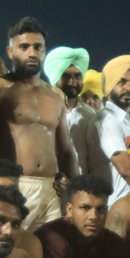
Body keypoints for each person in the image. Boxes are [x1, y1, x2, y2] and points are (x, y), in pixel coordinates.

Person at [0, 17, 77, 231]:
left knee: (51, 248)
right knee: (13, 247)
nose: (32, 53)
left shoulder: (56, 96)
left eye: (37, 47)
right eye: (24, 47)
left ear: (44, 51)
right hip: (13, 185)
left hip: (51, 189)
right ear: (10, 52)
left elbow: (66, 150)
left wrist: (75, 190)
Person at [88, 55, 130, 201]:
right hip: (113, 205)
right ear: (110, 84)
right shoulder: (106, 119)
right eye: (121, 82)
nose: (129, 88)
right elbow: (125, 169)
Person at [44, 46, 96, 174]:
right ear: (55, 77)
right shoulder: (41, 111)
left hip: (81, 182)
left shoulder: (90, 115)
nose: (73, 82)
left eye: (77, 76)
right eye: (66, 77)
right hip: (48, 181)